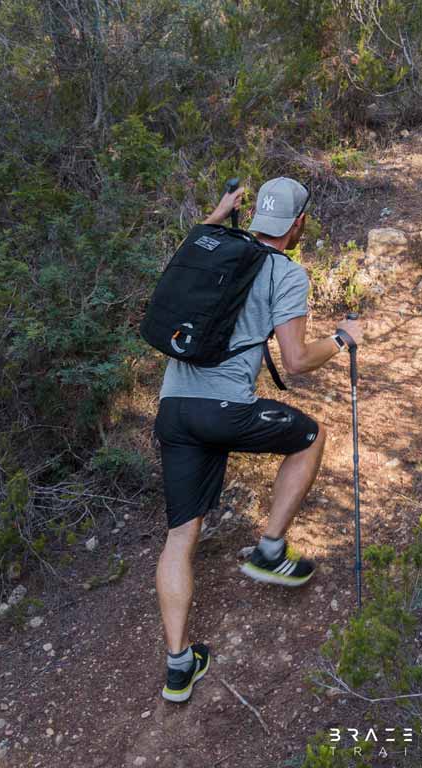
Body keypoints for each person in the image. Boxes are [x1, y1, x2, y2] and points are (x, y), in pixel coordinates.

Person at [153, 177, 363, 703]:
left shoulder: (207, 243)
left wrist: (218, 210)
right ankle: (270, 550)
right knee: (309, 436)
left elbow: (196, 240)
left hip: (173, 410)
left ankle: (179, 668)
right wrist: (341, 340)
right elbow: (295, 361)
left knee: (181, 535)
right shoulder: (286, 272)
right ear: (298, 225)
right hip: (225, 412)